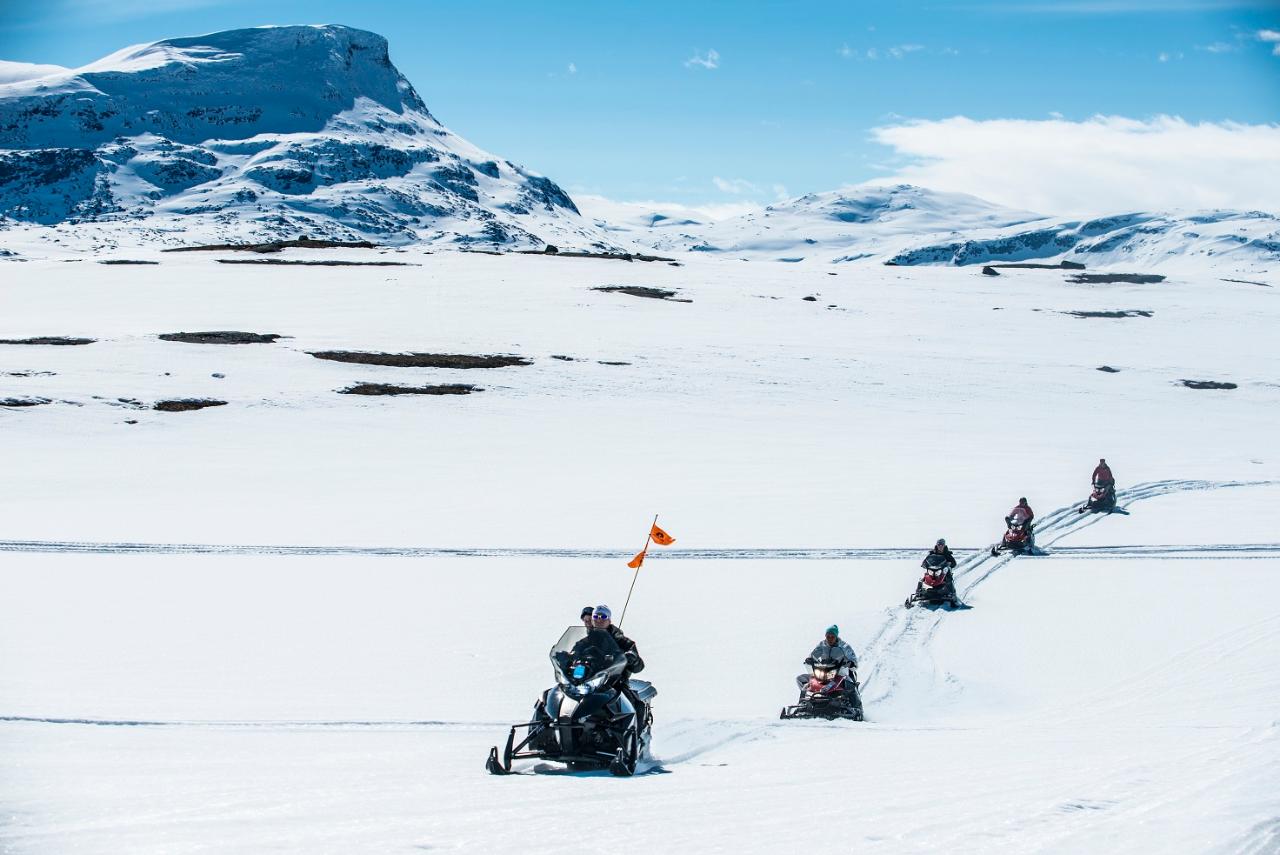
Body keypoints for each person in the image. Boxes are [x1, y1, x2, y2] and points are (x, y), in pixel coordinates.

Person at [590, 605, 649, 725]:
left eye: (603, 616)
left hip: (615, 682)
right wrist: (565, 656)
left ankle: (634, 738)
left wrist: (632, 658)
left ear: (609, 620)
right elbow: (574, 653)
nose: (599, 619)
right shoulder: (585, 640)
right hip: (589, 682)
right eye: (596, 616)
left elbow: (639, 666)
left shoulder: (621, 641)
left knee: (634, 705)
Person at [800, 625, 862, 712]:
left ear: (836, 636)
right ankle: (802, 705)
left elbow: (853, 659)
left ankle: (857, 708)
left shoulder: (844, 646)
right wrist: (809, 659)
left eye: (832, 636)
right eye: (828, 636)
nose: (829, 638)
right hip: (825, 670)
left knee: (850, 684)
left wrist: (851, 663)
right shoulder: (822, 645)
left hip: (841, 671)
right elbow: (814, 654)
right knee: (806, 683)